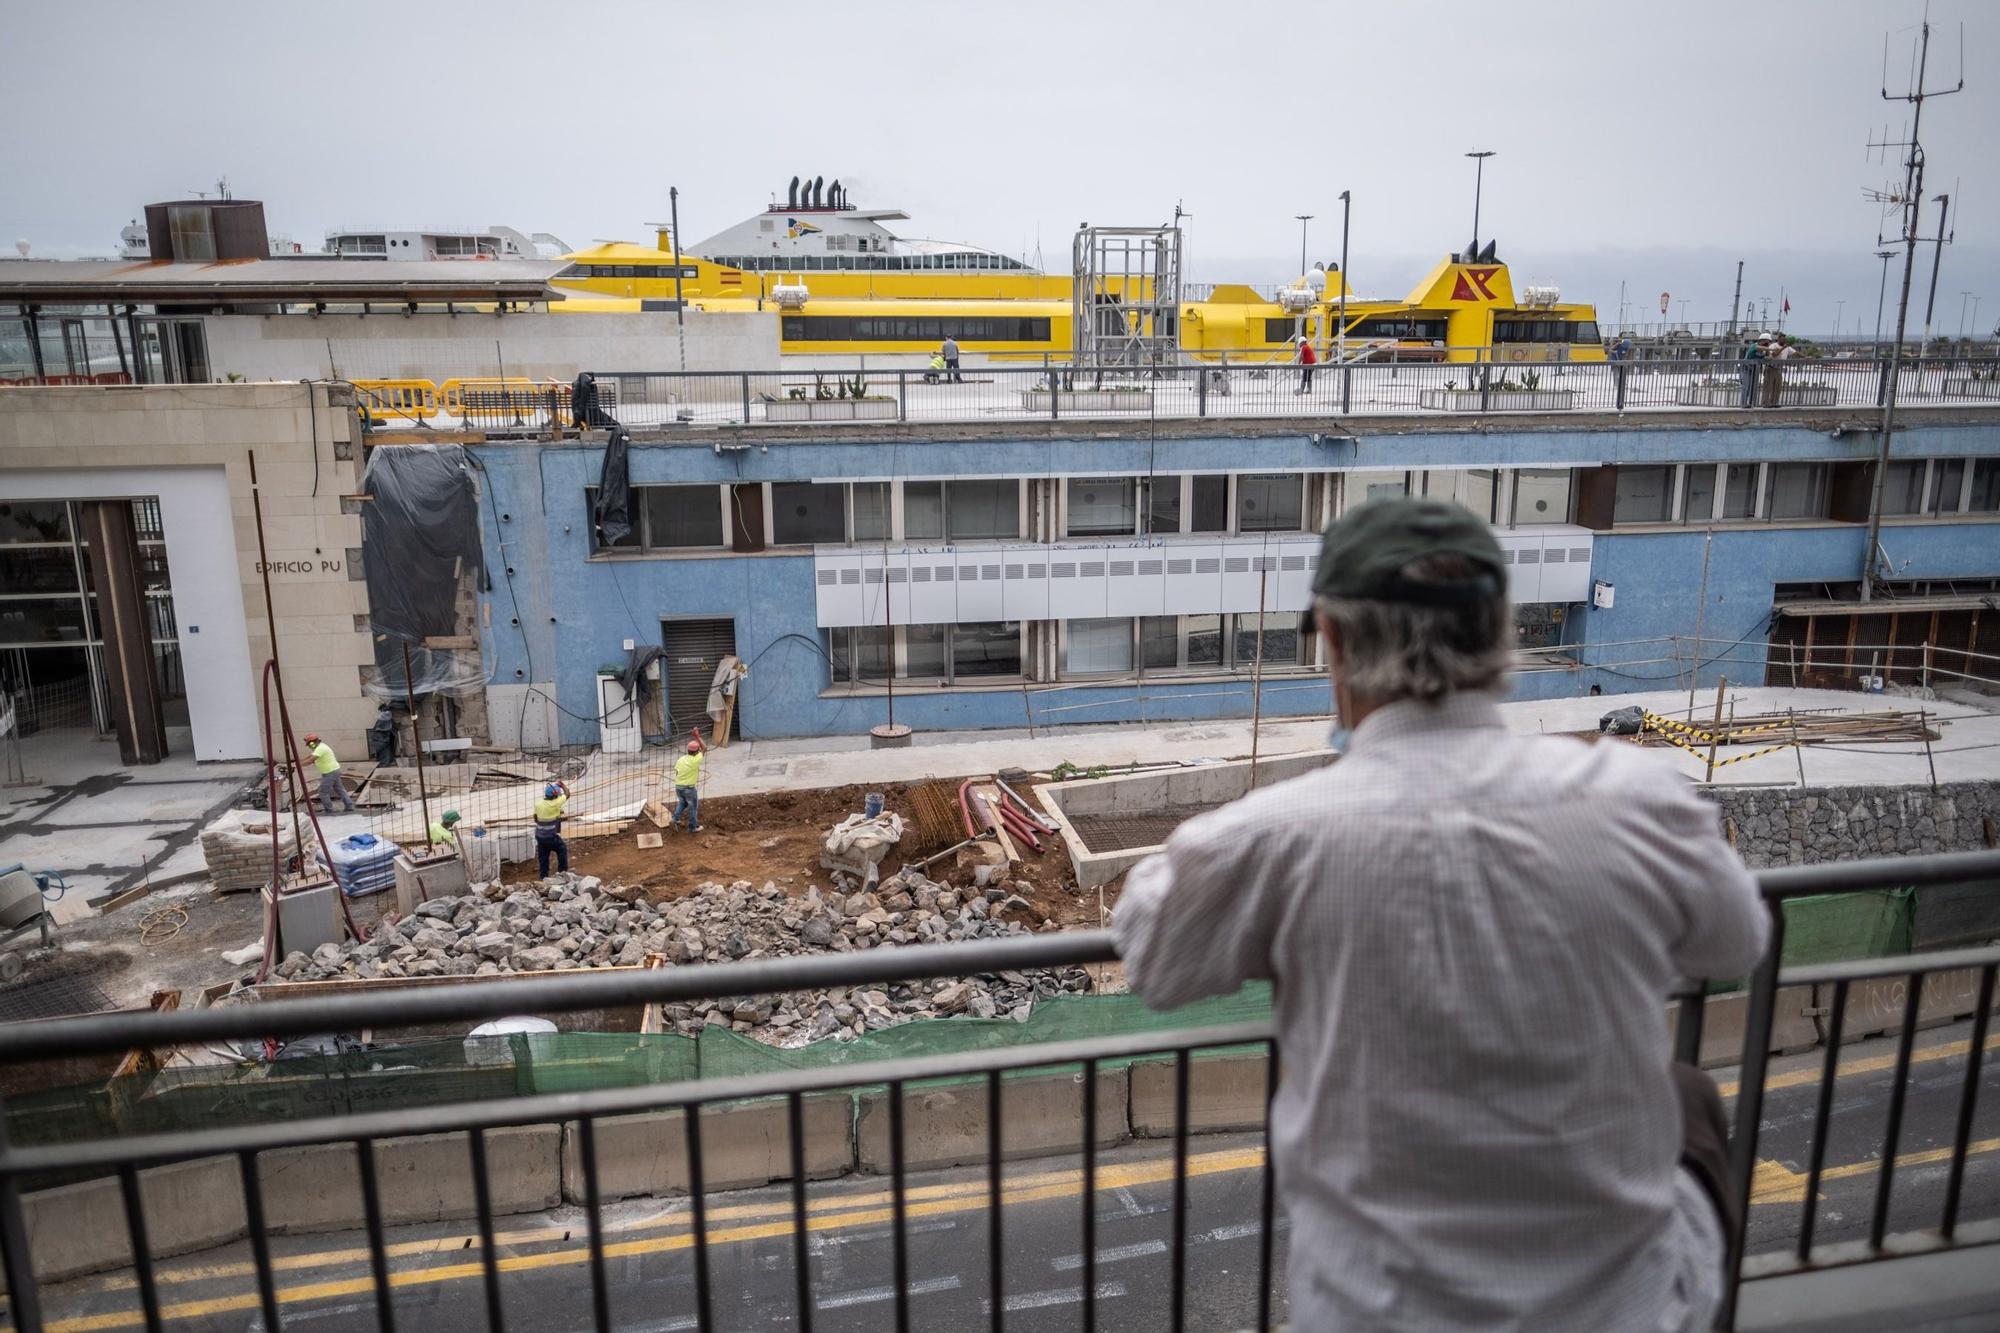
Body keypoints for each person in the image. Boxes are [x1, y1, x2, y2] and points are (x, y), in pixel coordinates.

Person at [1113, 497, 1768, 1332]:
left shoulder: (1282, 834)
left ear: (1336, 641)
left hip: (1373, 1312)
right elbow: (1736, 939)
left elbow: (1153, 954)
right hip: (1624, 1309)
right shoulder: (1635, 797)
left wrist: (1245, 833)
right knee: (1686, 1094)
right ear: (1500, 634)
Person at [301, 732, 355, 814]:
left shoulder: (320, 748)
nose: (309, 746)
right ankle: (349, 806)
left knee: (323, 792)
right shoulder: (320, 747)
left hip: (330, 772)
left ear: (313, 742)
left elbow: (310, 760)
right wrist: (299, 761)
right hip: (334, 770)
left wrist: (298, 765)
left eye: (309, 744)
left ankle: (329, 810)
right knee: (339, 789)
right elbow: (310, 756)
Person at [533, 781, 570, 877]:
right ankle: (563, 872)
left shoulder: (538, 804)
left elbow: (536, 818)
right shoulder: (556, 803)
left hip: (539, 835)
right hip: (551, 836)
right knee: (561, 848)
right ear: (555, 795)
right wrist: (562, 785)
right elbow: (567, 794)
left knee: (543, 855)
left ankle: (543, 876)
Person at [672, 735, 706, 833]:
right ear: (696, 752)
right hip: (689, 789)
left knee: (683, 802)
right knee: (693, 807)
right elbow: (705, 748)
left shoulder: (681, 759)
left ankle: (675, 818)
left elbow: (677, 772)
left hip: (678, 787)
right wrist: (697, 735)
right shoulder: (696, 760)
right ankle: (692, 828)